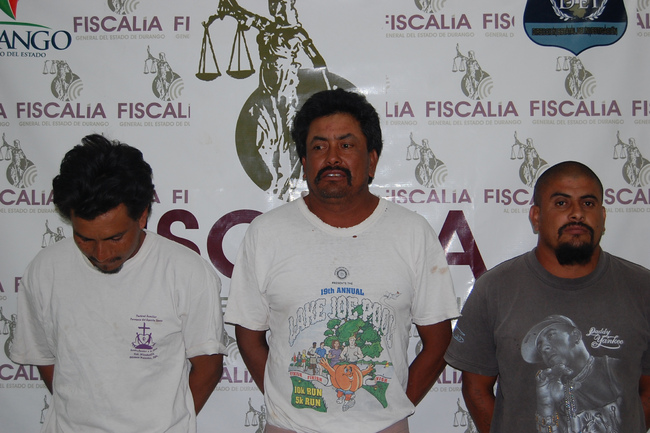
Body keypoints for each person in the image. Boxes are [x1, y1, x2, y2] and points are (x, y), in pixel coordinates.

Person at [224, 88, 458, 433]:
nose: (332, 158)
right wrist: (285, 406)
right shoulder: (267, 232)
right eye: (319, 147)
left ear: (372, 160)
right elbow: (248, 334)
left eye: (346, 145)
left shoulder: (411, 232)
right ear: (305, 163)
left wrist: (392, 407)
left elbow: (438, 341)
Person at [10, 134, 227, 433]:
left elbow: (208, 367)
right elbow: (45, 358)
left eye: (115, 238)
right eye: (84, 238)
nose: (100, 254)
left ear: (142, 216)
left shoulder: (186, 272)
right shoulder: (44, 271)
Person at [444, 161, 650, 433]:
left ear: (602, 216)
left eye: (588, 203)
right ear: (536, 216)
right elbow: (476, 389)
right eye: (561, 203)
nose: (577, 214)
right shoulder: (495, 289)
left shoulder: (642, 288)